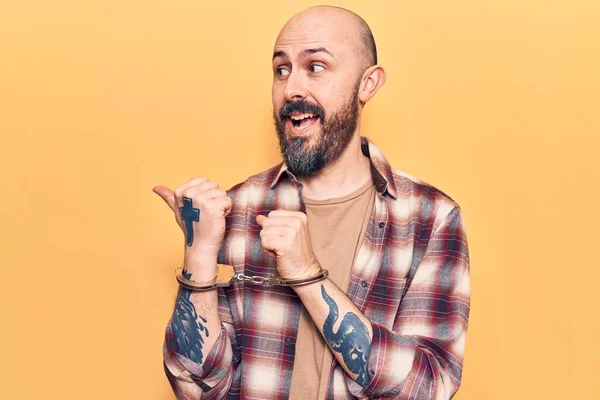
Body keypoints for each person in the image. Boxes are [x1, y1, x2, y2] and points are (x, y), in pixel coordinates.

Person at [153, 5, 470, 400]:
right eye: (281, 70)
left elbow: (428, 388)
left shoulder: (430, 218)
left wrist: (306, 275)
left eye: (316, 67)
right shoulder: (233, 210)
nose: (291, 89)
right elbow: (196, 388)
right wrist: (199, 255)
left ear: (368, 84)